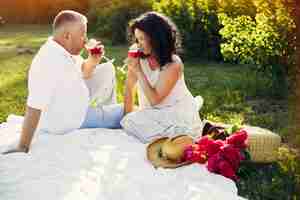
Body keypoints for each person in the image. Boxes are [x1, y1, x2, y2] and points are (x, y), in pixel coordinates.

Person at [3, 10, 123, 154]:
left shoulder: (63, 50)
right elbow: (34, 106)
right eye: (82, 34)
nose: (85, 39)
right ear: (67, 36)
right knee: (126, 111)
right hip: (69, 120)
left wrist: (93, 60)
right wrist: (23, 145)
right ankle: (104, 116)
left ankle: (105, 112)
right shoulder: (47, 62)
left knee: (107, 69)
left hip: (72, 102)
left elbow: (84, 72)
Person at [121, 12, 203, 143]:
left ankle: (180, 136)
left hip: (175, 113)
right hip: (152, 115)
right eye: (137, 39)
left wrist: (138, 70)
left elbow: (155, 100)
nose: (139, 44)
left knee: (138, 125)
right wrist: (126, 121)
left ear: (155, 38)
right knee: (129, 121)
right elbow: (129, 89)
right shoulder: (139, 58)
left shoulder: (173, 64)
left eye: (142, 39)